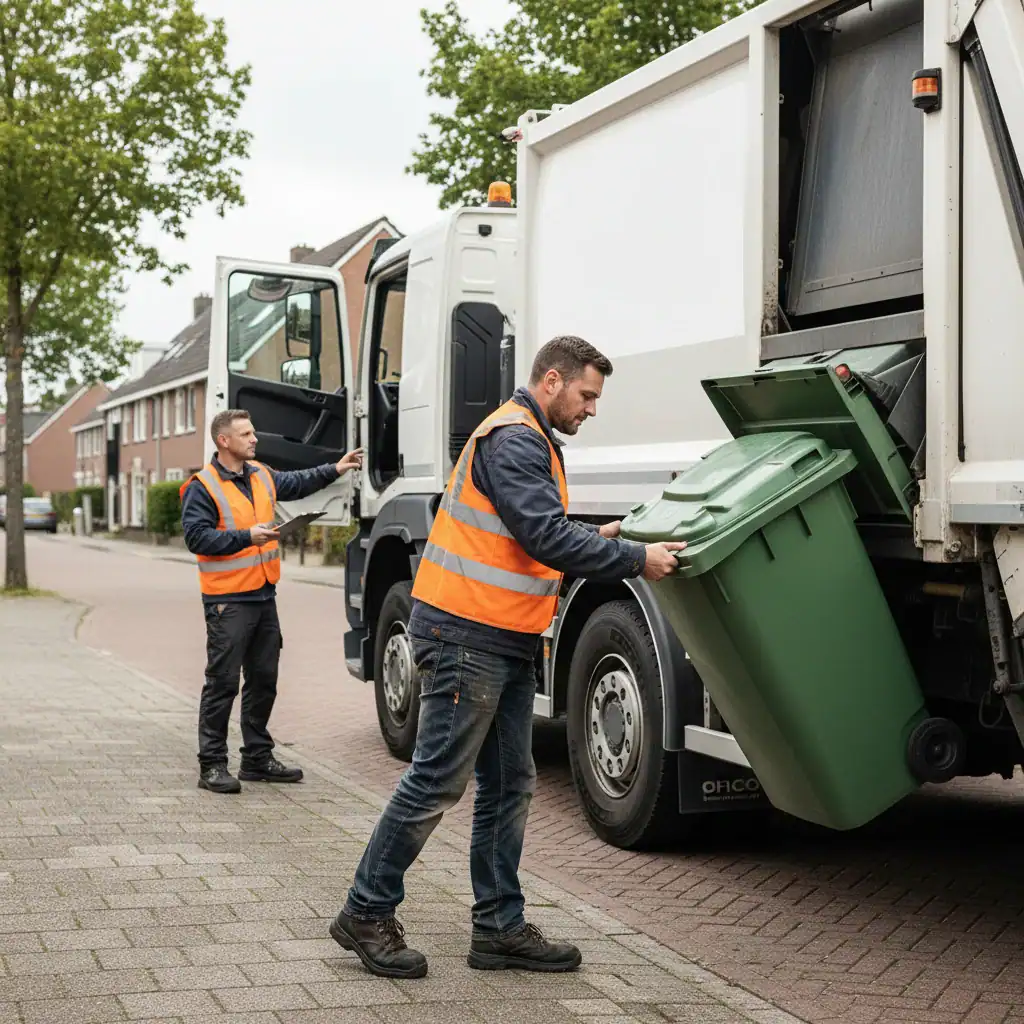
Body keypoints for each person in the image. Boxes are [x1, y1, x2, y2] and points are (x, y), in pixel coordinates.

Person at [329, 335, 686, 979]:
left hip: (502, 638)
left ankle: (498, 928)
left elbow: (531, 533)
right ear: (551, 380)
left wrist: (601, 535)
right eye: (587, 394)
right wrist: (638, 559)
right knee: (438, 778)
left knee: (510, 783)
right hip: (468, 638)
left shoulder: (529, 438)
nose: (591, 409)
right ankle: (366, 909)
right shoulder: (516, 437)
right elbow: (542, 534)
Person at [180, 408, 363, 795]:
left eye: (253, 432)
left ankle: (256, 758)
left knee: (264, 680)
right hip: (227, 601)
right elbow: (197, 538)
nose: (254, 439)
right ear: (223, 441)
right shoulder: (203, 486)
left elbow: (295, 483)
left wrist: (336, 468)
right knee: (223, 683)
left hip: (264, 595)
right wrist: (250, 536)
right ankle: (211, 765)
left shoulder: (261, 474)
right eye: (245, 434)